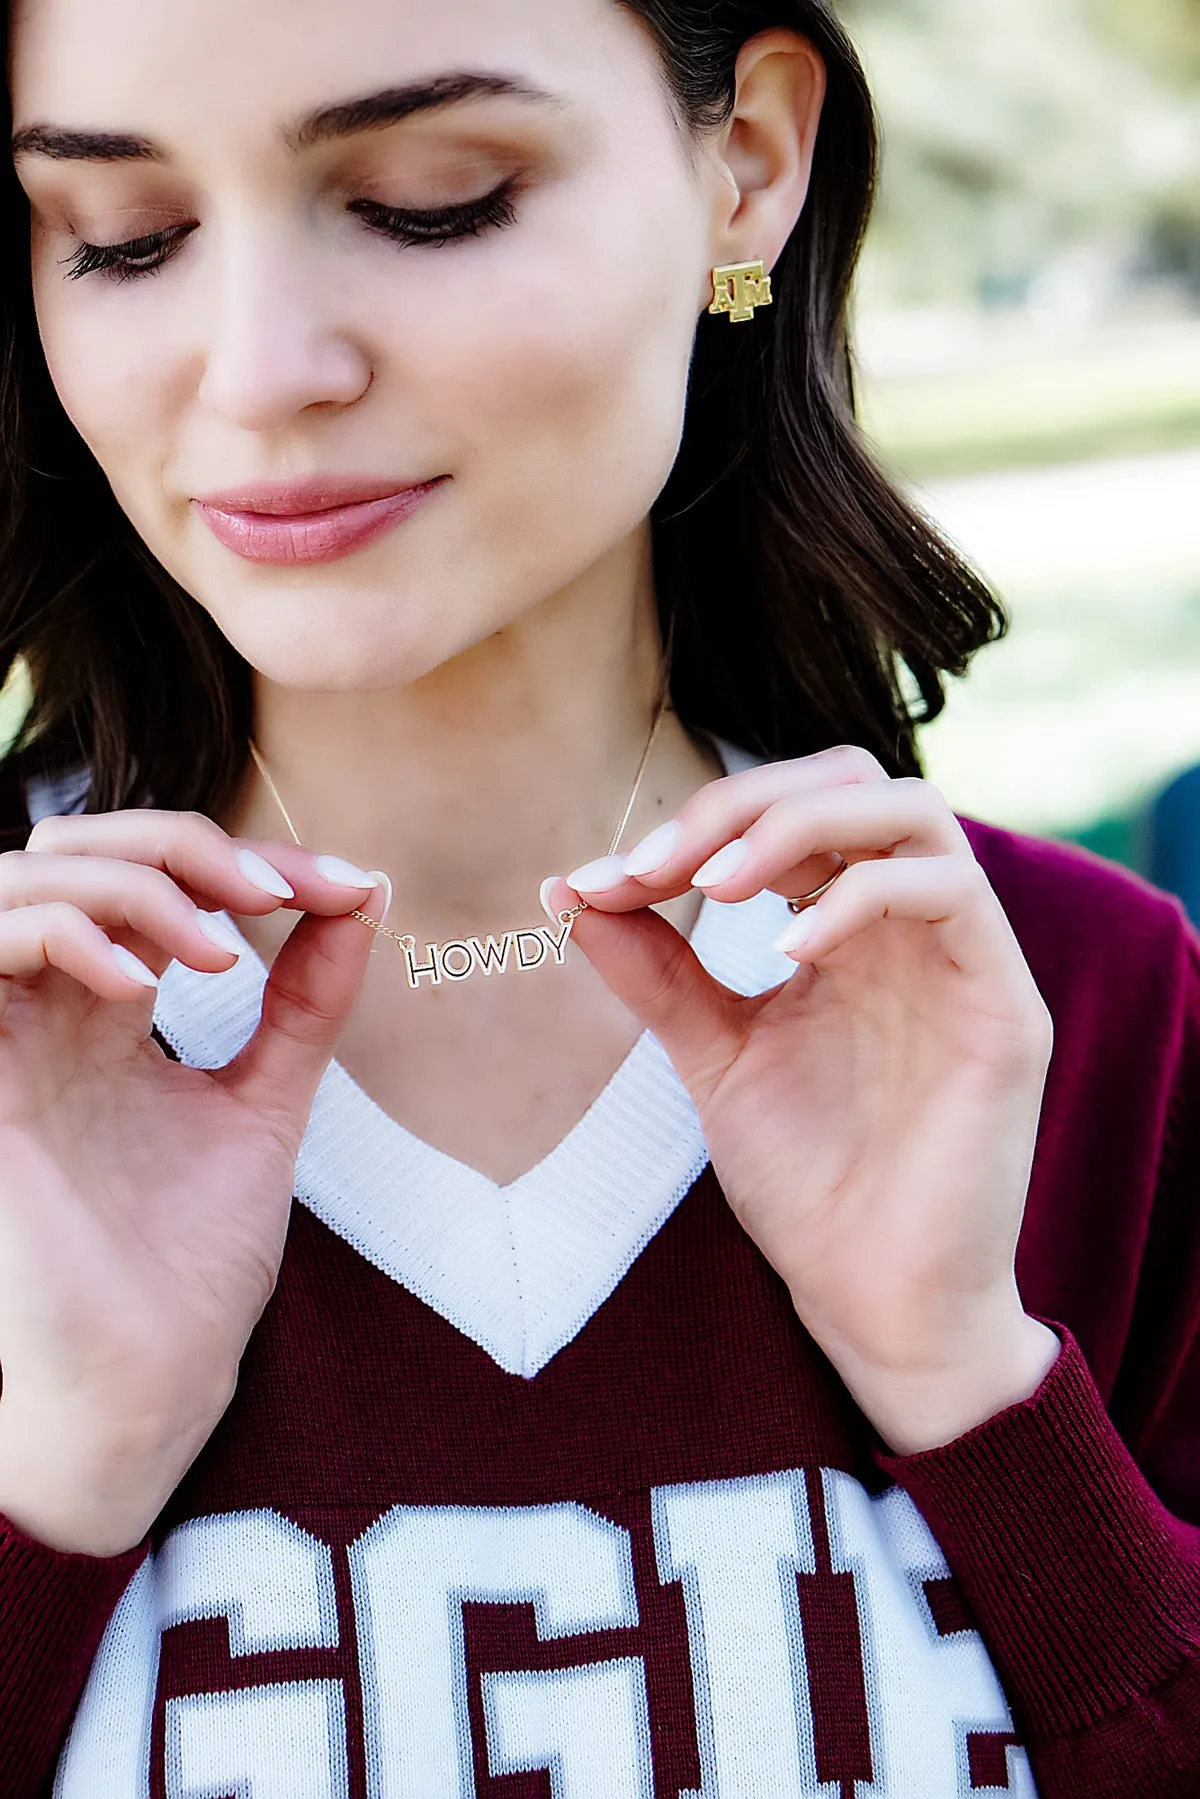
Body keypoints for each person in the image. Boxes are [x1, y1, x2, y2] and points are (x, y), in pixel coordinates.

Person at [0, 0, 1197, 1792]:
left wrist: (972, 1387)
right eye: (126, 239)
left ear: (751, 164)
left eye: (431, 199)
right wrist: (61, 1482)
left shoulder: (1078, 1017)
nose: (257, 372)